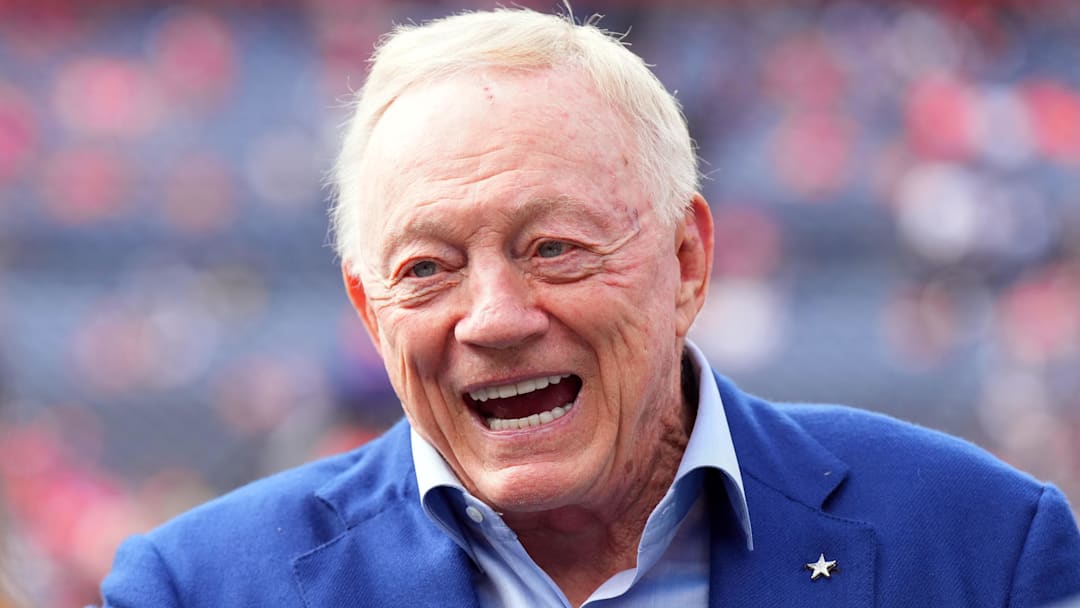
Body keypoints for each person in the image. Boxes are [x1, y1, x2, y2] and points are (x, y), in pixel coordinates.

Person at [99, 8, 1080, 607]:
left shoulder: (981, 543)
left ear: (688, 259)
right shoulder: (199, 588)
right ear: (368, 309)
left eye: (553, 247)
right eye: (429, 267)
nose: (494, 316)